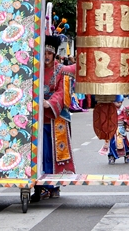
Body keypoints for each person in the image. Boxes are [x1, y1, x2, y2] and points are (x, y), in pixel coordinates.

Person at [33, 36, 75, 201]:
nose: (47, 56)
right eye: (44, 52)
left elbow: (62, 92)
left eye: (50, 53)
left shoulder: (61, 70)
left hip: (53, 116)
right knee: (38, 153)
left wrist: (49, 103)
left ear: (55, 54)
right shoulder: (35, 69)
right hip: (37, 117)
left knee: (52, 153)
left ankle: (52, 185)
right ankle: (39, 184)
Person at [100, 96, 129, 164]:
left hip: (120, 128)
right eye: (117, 102)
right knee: (112, 143)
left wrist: (127, 126)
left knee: (123, 142)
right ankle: (111, 156)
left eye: (120, 102)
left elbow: (126, 119)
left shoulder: (124, 109)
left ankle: (127, 154)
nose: (119, 104)